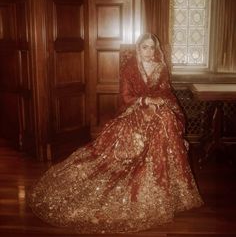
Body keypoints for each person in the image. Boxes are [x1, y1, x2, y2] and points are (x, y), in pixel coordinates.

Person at [27, 33, 203, 233]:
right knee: (160, 124)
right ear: (138, 48)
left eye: (152, 47)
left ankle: (164, 186)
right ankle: (149, 180)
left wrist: (161, 103)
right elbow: (126, 97)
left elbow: (166, 92)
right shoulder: (129, 68)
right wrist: (146, 102)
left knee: (166, 119)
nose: (149, 51)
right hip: (134, 111)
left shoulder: (161, 68)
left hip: (157, 111)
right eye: (145, 47)